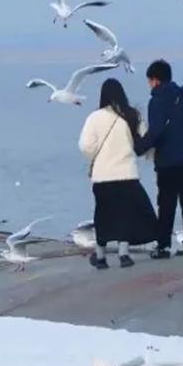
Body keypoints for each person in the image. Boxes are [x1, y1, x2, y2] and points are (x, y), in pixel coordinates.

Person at [133, 60, 183, 259]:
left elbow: (155, 132)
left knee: (166, 203)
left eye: (149, 81)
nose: (150, 85)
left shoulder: (157, 101)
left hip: (168, 161)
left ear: (155, 79)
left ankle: (164, 246)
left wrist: (138, 148)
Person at [78, 79, 159, 270]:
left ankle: (100, 257)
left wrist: (97, 154)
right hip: (127, 175)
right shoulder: (131, 115)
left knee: (103, 215)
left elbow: (86, 146)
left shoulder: (95, 117)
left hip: (103, 176)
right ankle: (124, 254)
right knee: (126, 215)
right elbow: (146, 142)